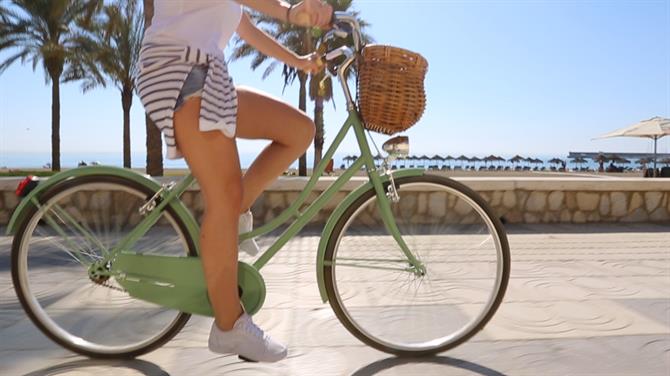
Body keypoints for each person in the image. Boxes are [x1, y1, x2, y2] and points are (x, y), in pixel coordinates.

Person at [137, 0, 332, 362]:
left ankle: (237, 211)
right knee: (222, 196)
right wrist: (291, 12)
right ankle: (229, 325)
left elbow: (250, 32)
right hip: (177, 69)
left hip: (209, 78)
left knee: (300, 129)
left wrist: (299, 63)